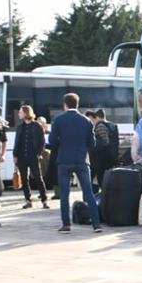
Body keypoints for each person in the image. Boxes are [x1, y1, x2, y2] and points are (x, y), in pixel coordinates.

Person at [48, 92, 101, 233]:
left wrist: (63, 143)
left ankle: (66, 225)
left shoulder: (59, 120)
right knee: (89, 193)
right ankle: (96, 224)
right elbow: (92, 143)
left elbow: (52, 141)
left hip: (64, 160)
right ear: (77, 104)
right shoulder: (87, 121)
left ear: (65, 105)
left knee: (64, 194)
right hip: (82, 160)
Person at [14, 105, 48, 209]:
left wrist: (38, 153)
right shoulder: (20, 127)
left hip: (33, 156)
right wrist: (15, 155)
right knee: (24, 179)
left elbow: (42, 142)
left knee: (38, 178)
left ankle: (44, 200)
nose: (19, 114)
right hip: (21, 156)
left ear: (26, 113)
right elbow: (17, 142)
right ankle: (28, 200)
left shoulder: (37, 126)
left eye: (20, 112)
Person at [89, 109, 117, 190]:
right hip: (111, 159)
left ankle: (101, 200)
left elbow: (104, 142)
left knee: (101, 181)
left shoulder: (100, 125)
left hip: (101, 160)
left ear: (97, 117)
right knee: (106, 182)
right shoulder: (112, 125)